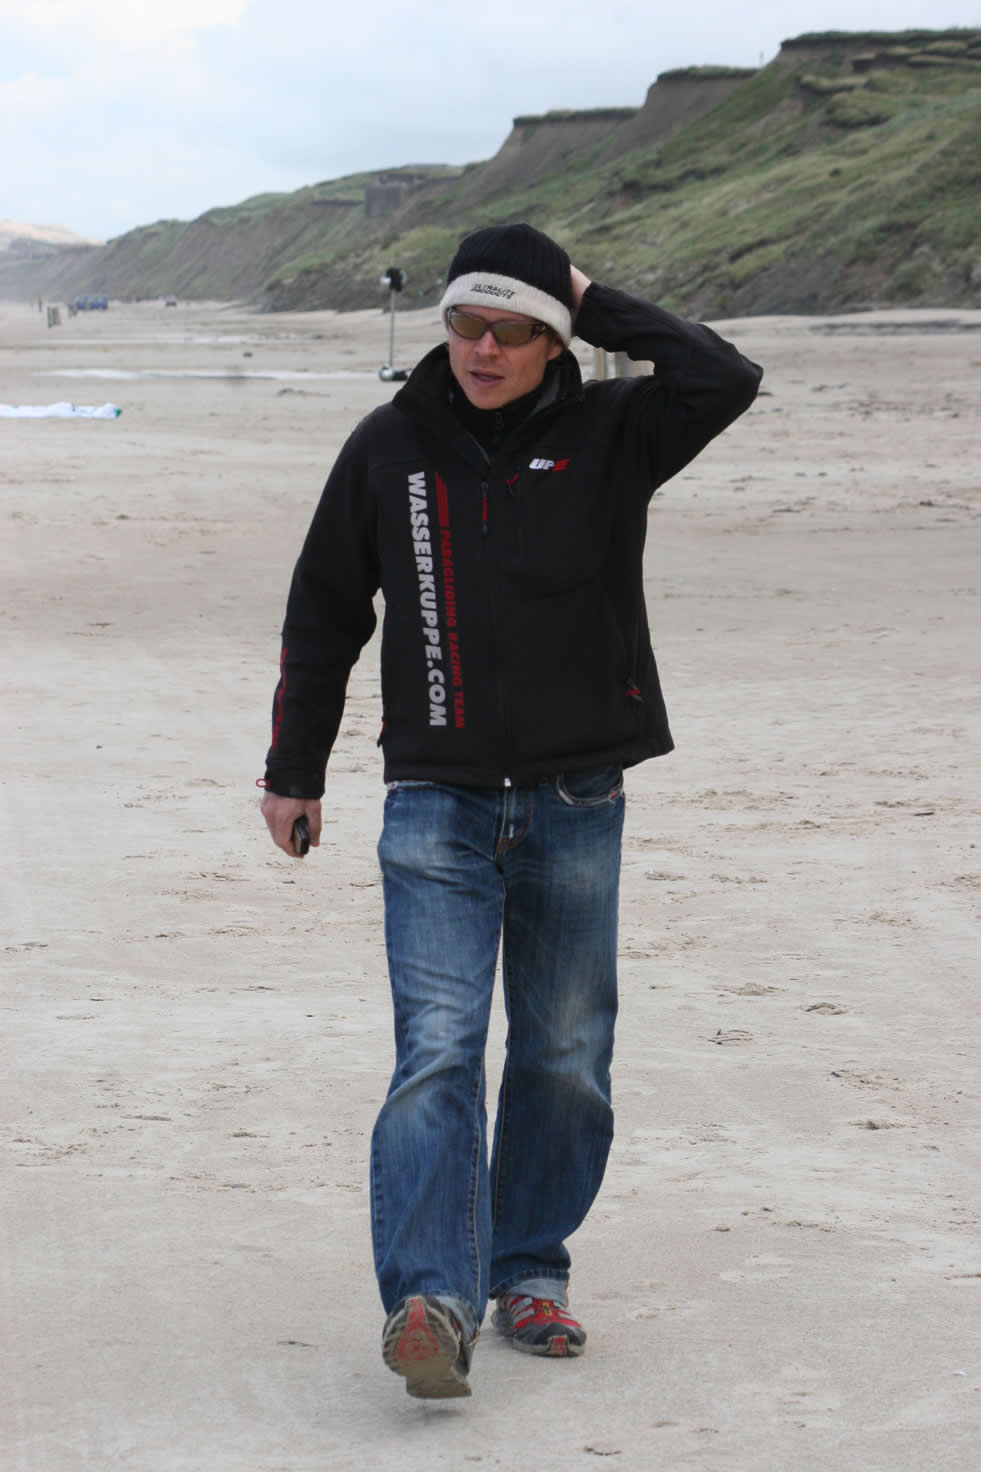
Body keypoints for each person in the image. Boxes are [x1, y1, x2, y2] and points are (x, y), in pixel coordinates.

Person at [260, 222, 762, 1399]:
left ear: (554, 339)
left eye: (514, 328)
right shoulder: (387, 447)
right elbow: (324, 612)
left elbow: (723, 376)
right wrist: (295, 768)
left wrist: (586, 290)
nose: (484, 348)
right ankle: (431, 1298)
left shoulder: (616, 432)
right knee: (437, 1050)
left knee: (565, 1055)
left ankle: (529, 1265)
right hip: (432, 799)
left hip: (575, 796)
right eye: (466, 323)